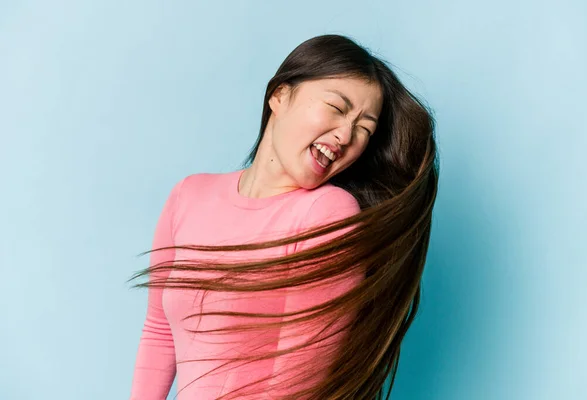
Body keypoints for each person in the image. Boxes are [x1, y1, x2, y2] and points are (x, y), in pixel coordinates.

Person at [129, 34, 438, 400]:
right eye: (337, 108)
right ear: (279, 95)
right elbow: (159, 332)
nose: (345, 135)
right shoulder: (188, 195)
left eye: (364, 130)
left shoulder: (328, 214)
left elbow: (298, 383)